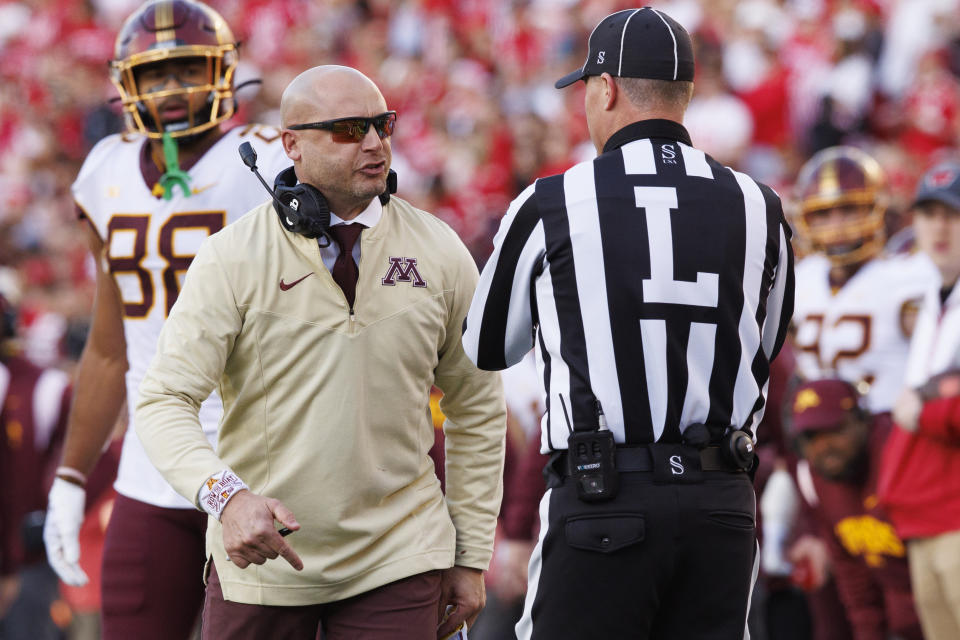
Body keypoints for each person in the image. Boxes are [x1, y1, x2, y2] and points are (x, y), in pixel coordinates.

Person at [134, 65, 506, 640]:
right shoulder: (232, 258)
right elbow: (163, 400)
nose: (375, 143)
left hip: (401, 558)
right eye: (349, 129)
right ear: (292, 145)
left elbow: (477, 407)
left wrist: (471, 552)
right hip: (263, 564)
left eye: (383, 124)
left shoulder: (441, 251)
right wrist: (226, 498)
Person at [462, 8, 794, 639]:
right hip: (720, 503)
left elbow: (486, 345)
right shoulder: (762, 205)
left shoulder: (552, 200)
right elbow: (766, 342)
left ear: (606, 88)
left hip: (603, 497)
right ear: (686, 95)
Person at [41, 1, 291, 638]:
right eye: (156, 75)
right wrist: (71, 477)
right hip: (153, 467)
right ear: (128, 83)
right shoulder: (107, 170)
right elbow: (107, 348)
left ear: (224, 73)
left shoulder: (270, 163)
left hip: (266, 461)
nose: (172, 89)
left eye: (186, 70)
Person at [879, 161, 960, 640]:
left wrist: (925, 409)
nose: (938, 227)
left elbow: (924, 410)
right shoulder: (933, 297)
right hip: (923, 511)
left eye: (951, 214)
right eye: (928, 214)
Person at [790, 145, 935, 413]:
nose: (837, 226)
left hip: (884, 425)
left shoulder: (908, 276)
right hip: (818, 430)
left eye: (849, 210)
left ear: (877, 208)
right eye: (823, 213)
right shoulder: (802, 276)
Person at [788, 379, 923, 640]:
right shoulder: (817, 477)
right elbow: (855, 580)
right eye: (810, 438)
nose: (822, 446)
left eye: (833, 430)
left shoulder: (898, 451)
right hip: (906, 622)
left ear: (862, 419)